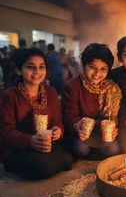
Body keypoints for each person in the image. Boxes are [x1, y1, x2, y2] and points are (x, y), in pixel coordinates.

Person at [0, 48, 73, 180]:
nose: (37, 72)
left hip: (43, 143)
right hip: (18, 147)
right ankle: (13, 165)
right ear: (18, 70)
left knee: (68, 160)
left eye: (41, 67)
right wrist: (31, 140)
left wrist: (57, 130)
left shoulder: (50, 91)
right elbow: (6, 132)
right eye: (30, 67)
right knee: (44, 166)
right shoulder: (9, 96)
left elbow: (57, 120)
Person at [62, 43, 122, 159]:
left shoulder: (111, 89)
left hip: (100, 134)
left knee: (114, 149)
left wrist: (113, 128)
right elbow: (69, 116)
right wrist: (77, 125)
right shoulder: (73, 87)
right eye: (92, 67)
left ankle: (94, 153)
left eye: (103, 69)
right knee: (81, 149)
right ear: (84, 65)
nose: (97, 74)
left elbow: (112, 118)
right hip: (81, 135)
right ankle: (90, 153)